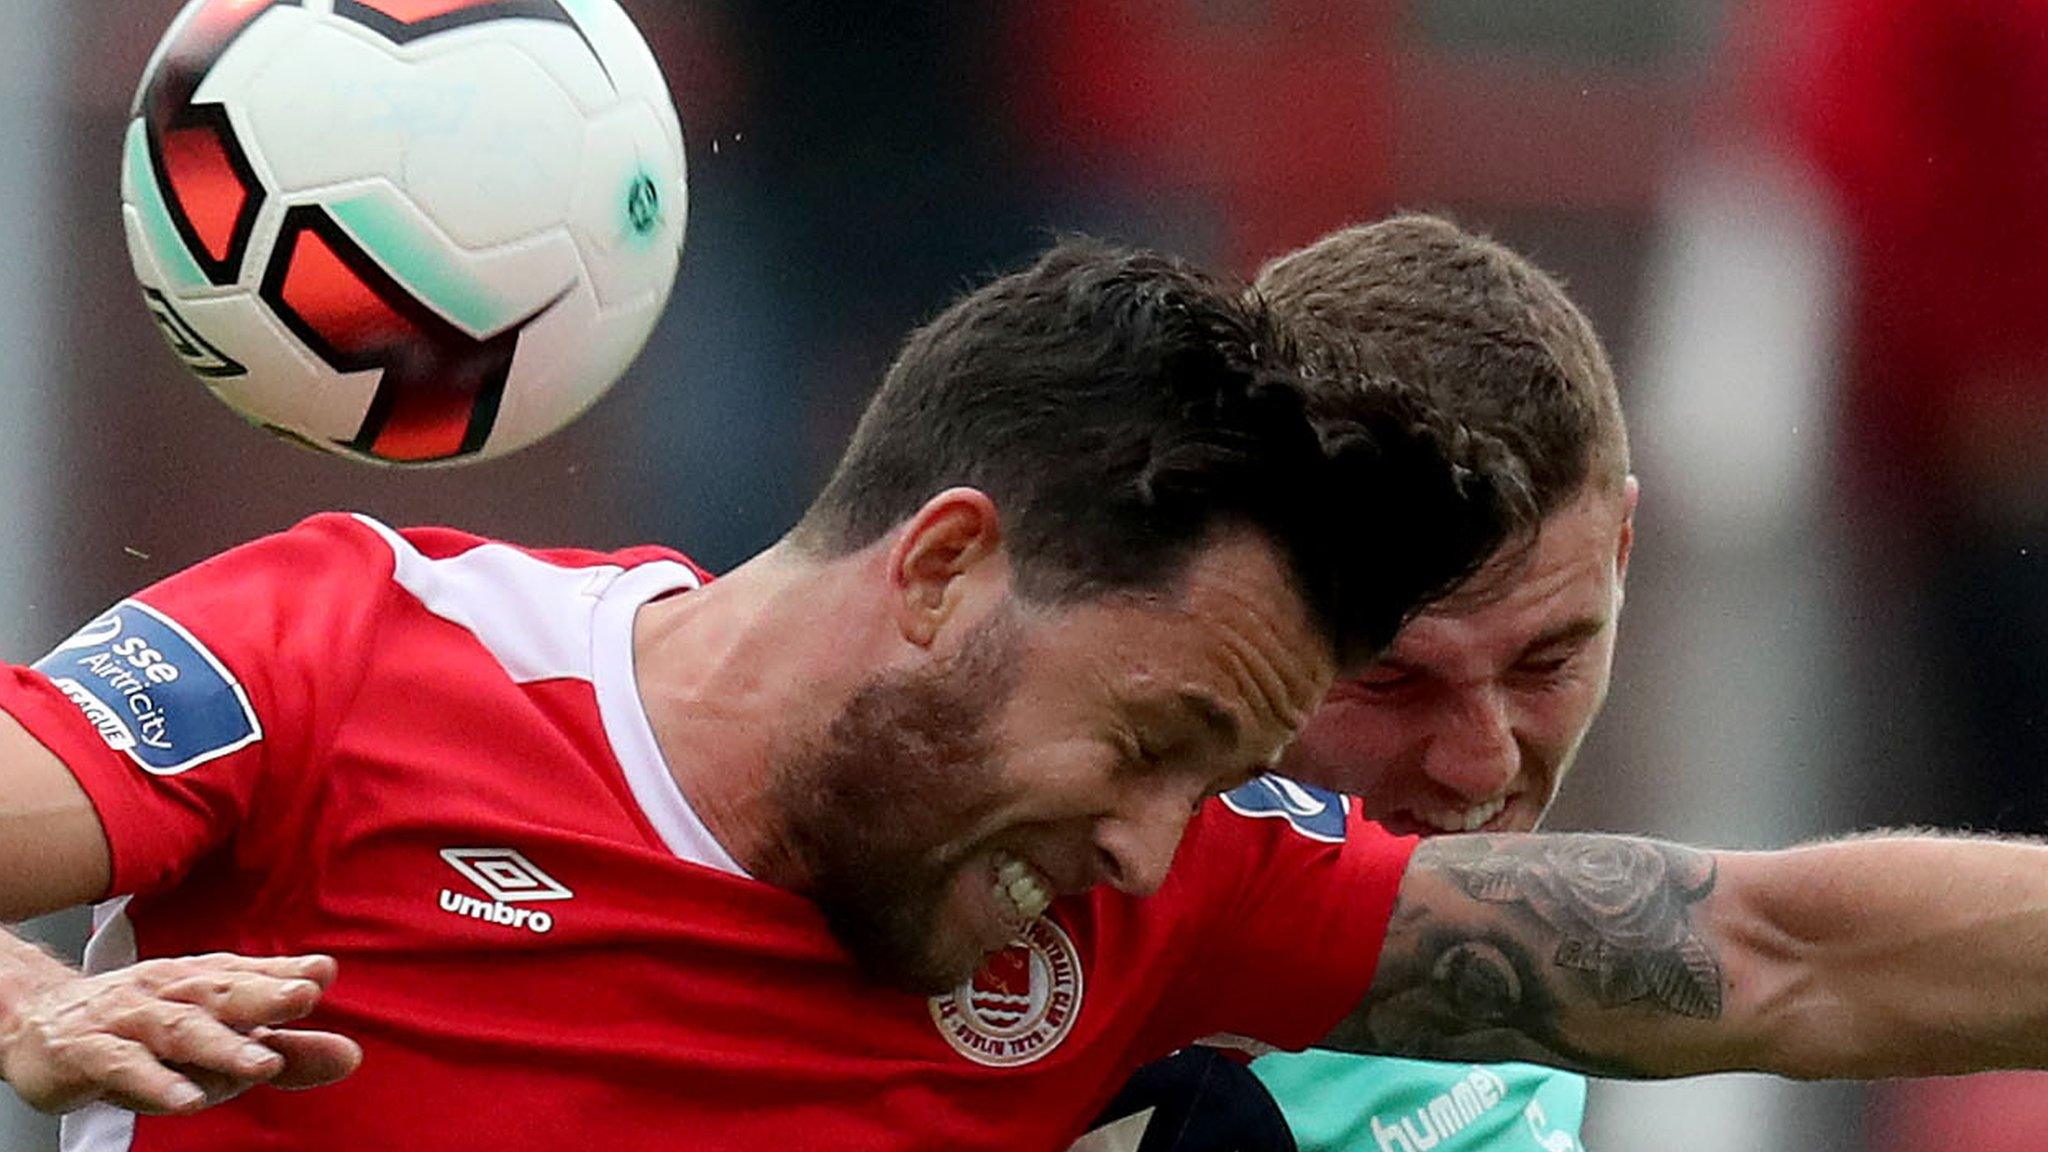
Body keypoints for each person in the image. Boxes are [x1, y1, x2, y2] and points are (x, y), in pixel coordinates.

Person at [9, 234, 2048, 1152]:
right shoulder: (358, 656)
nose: (1162, 845)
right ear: (948, 574)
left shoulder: (1166, 912)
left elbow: (1770, 952)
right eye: (1155, 745)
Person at [1077, 213, 1628, 1152]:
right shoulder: (1028, 981)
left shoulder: (1514, 965)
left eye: (1547, 663)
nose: (1480, 765)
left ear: (1622, 549)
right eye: (1393, 680)